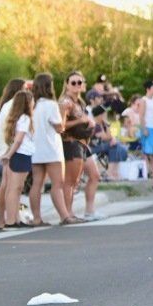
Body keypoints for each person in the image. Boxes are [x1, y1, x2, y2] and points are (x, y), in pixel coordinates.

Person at [25, 73, 78, 225]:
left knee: (37, 184)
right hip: (51, 149)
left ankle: (36, 218)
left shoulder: (32, 105)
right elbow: (59, 127)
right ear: (49, 86)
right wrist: (64, 111)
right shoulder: (51, 104)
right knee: (57, 184)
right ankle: (64, 216)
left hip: (35, 148)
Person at [58, 71, 103, 220]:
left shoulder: (80, 103)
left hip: (84, 144)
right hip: (71, 143)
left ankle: (90, 211)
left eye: (80, 82)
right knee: (70, 181)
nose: (77, 85)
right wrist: (81, 121)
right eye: (73, 82)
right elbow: (61, 126)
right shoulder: (66, 102)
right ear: (67, 85)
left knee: (95, 175)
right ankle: (68, 214)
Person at [0, 85, 34, 227]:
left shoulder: (19, 118)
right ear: (27, 103)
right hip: (20, 154)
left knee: (16, 187)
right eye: (32, 101)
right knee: (14, 188)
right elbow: (19, 139)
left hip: (20, 154)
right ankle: (11, 220)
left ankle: (15, 218)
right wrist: (9, 154)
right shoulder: (25, 118)